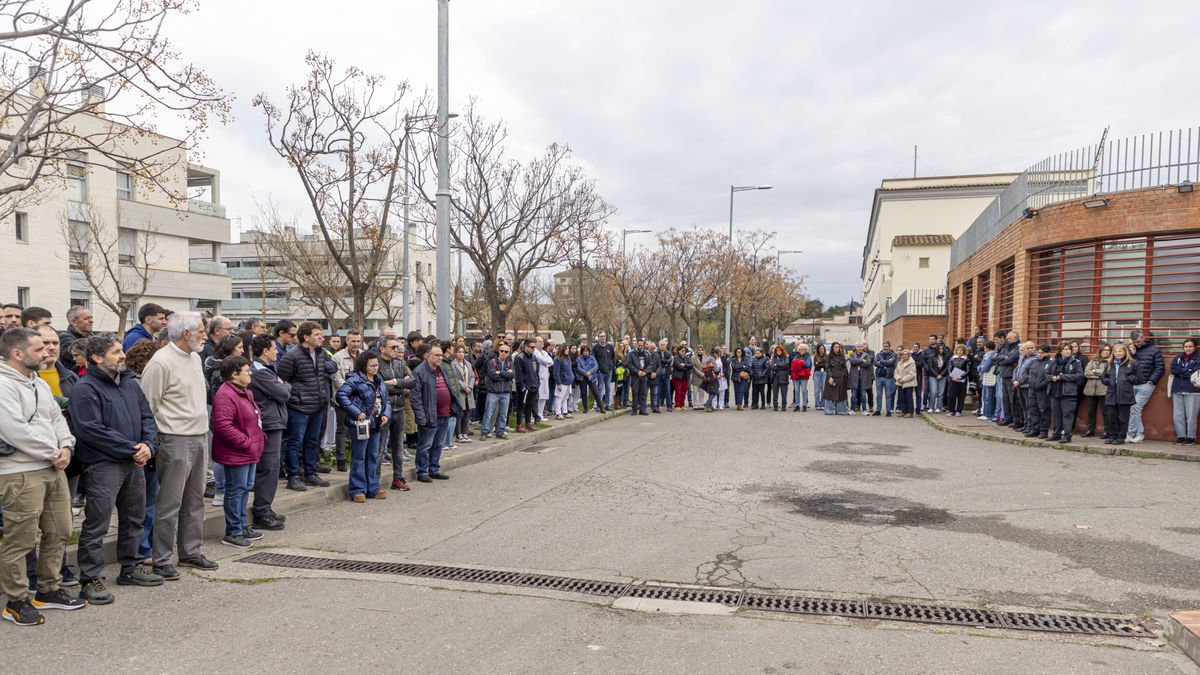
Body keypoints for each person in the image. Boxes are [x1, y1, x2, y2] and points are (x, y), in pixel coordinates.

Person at [69, 335, 163, 605]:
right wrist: (132, 449)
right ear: (97, 358)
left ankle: (130, 567)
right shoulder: (85, 389)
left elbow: (147, 417)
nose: (123, 355)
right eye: (116, 352)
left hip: (134, 462)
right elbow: (91, 430)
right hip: (103, 465)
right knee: (97, 522)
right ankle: (90, 578)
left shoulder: (130, 384)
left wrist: (148, 445)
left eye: (121, 350)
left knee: (134, 517)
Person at [0, 328, 84, 626]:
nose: (48, 352)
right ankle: (16, 600)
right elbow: (14, 430)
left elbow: (56, 418)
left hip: (52, 467)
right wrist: (53, 451)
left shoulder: (37, 383)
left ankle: (47, 590)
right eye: (39, 348)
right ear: (18, 353)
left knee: (60, 529)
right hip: (19, 472)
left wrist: (66, 445)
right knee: (20, 538)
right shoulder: (3, 385)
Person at [141, 312, 219, 579]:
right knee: (169, 502)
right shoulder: (161, 362)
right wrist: (151, 442)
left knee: (195, 500)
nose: (205, 335)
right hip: (173, 438)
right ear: (186, 334)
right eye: (201, 330)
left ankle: (191, 552)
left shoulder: (195, 357)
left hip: (199, 435)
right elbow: (147, 405)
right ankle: (162, 558)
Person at [210, 356, 266, 547]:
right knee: (235, 490)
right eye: (246, 370)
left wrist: (257, 440)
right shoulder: (226, 395)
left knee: (245, 488)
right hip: (237, 452)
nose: (250, 373)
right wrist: (246, 442)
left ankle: (241, 527)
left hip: (249, 450)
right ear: (234, 374)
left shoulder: (244, 392)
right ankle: (233, 531)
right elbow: (223, 425)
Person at [277, 321, 334, 492]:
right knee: (295, 443)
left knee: (312, 442)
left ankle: (311, 473)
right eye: (318, 335)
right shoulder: (291, 356)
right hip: (298, 407)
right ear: (306, 337)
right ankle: (293, 476)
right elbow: (282, 380)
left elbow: (329, 370)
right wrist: (296, 396)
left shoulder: (321, 354)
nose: (322, 338)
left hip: (317, 405)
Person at [336, 352, 391, 502]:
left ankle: (372, 487)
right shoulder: (355, 379)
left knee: (373, 456)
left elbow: (386, 400)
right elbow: (341, 395)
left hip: (376, 423)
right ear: (364, 366)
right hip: (360, 424)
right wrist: (356, 412)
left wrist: (386, 413)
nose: (375, 368)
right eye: (372, 365)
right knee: (359, 457)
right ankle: (357, 489)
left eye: (377, 365)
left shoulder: (379, 380)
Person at [248, 335, 290, 528]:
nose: (276, 351)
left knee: (271, 468)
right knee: (269, 468)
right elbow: (283, 393)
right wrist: (283, 385)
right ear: (265, 351)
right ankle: (261, 512)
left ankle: (266, 507)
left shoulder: (266, 369)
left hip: (275, 422)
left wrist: (283, 385)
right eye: (274, 348)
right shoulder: (259, 371)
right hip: (269, 424)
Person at [410, 345, 453, 482]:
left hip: (444, 413)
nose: (440, 358)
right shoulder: (420, 371)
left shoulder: (442, 369)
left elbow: (451, 387)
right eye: (437, 355)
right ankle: (422, 471)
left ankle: (434, 469)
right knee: (425, 445)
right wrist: (421, 417)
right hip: (430, 415)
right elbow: (415, 397)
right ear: (428, 356)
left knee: (438, 444)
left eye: (441, 355)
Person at [377, 337, 414, 490]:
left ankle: (397, 478)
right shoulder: (377, 364)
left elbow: (412, 382)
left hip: (400, 409)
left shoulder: (400, 363)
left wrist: (394, 382)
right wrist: (401, 383)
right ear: (382, 348)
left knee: (398, 446)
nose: (396, 350)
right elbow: (379, 386)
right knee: (380, 448)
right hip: (384, 411)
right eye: (392, 347)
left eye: (397, 347)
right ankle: (375, 480)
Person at [331, 329, 365, 472]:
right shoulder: (338, 357)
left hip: (361, 400)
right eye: (353, 341)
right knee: (341, 430)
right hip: (343, 400)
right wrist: (351, 390)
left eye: (358, 341)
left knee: (360, 428)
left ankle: (358, 458)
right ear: (347, 341)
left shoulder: (364, 355)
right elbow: (337, 378)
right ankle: (341, 460)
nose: (356, 344)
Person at [1101, 344, 1142, 446]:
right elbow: (1103, 377)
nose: (1118, 353)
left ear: (1125, 352)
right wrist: (1108, 381)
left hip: (1125, 394)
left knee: (1123, 418)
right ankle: (1112, 436)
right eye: (1115, 352)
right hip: (1111, 394)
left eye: (1120, 351)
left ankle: (1121, 437)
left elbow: (1139, 379)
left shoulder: (1132, 363)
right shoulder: (1109, 364)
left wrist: (1129, 378)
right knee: (1111, 416)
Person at [1048, 343, 1083, 443]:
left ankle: (1067, 435)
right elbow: (1046, 374)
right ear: (1060, 351)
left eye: (1069, 349)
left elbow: (1079, 375)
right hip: (1055, 391)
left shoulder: (1075, 362)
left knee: (1067, 414)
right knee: (1056, 414)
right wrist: (1052, 377)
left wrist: (1063, 377)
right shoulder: (1054, 362)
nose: (1068, 351)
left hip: (1068, 392)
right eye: (1065, 349)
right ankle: (1056, 433)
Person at [480, 343, 514, 438]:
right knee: (489, 412)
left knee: (503, 414)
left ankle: (500, 431)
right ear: (498, 351)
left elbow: (512, 375)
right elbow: (492, 375)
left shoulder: (509, 363)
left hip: (505, 392)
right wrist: (505, 375)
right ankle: (485, 431)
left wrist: (500, 373)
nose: (503, 353)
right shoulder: (492, 362)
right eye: (501, 351)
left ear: (509, 353)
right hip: (493, 391)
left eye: (506, 351)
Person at [1170, 337, 1199, 445]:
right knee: (1177, 414)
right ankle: (1181, 436)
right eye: (1186, 346)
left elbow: (1195, 372)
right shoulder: (1178, 357)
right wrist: (1187, 370)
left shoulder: (1198, 358)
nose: (1188, 348)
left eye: (1190, 346)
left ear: (1195, 347)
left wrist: (1182, 372)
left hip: (1192, 390)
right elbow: (1173, 370)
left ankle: (1191, 437)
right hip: (1177, 389)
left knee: (1191, 415)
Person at [1023, 345, 1054, 439]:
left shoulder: (1051, 362)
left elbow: (1049, 377)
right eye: (1039, 352)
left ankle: (1043, 431)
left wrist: (1042, 384)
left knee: (1044, 410)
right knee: (1033, 409)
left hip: (1043, 390)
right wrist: (1028, 380)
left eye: (1042, 353)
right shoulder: (1034, 361)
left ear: (1047, 353)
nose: (1040, 355)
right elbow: (1025, 371)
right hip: (1032, 389)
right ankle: (1034, 429)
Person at [1081, 345, 1111, 439]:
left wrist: (1094, 371)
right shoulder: (1093, 361)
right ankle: (1090, 430)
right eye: (1104, 350)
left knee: (1105, 412)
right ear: (1100, 351)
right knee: (1091, 411)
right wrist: (1099, 374)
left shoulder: (1110, 362)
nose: (1106, 352)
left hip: (1103, 389)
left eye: (1108, 350)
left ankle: (1107, 431)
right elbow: (1086, 373)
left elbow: (1107, 373)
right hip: (1090, 390)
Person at [449, 345, 476, 441]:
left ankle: (464, 432)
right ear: (455, 353)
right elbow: (454, 378)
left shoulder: (468, 364)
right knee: (459, 413)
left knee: (467, 413)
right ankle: (458, 434)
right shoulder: (453, 364)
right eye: (459, 352)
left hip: (469, 392)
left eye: (462, 352)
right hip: (460, 392)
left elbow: (473, 376)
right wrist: (464, 387)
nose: (461, 354)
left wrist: (470, 386)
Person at [994, 331, 1021, 426]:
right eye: (1007, 338)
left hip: (1011, 376)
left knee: (1012, 399)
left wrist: (1003, 360)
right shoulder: (1006, 346)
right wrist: (1004, 359)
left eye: (1009, 338)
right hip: (1003, 374)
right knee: (1005, 398)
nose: (1007, 340)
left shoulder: (1018, 347)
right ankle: (1007, 417)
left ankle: (1015, 419)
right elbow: (997, 357)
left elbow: (1011, 359)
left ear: (1016, 338)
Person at [513, 340, 540, 432]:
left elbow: (537, 371)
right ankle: (519, 424)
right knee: (521, 405)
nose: (533, 349)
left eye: (534, 347)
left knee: (530, 405)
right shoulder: (519, 357)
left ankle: (528, 423)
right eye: (531, 347)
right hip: (524, 387)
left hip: (534, 385)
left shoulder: (534, 357)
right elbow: (519, 374)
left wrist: (537, 383)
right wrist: (523, 386)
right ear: (526, 347)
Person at [58, 305, 93, 372]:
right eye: (86, 318)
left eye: (91, 318)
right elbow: (85, 357)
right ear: (74, 322)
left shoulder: (92, 337)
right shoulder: (65, 338)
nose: (91, 321)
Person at [574, 344, 604, 414]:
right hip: (582, 377)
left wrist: (590, 372)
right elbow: (578, 368)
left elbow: (596, 366)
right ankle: (585, 408)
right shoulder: (579, 358)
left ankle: (600, 407)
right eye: (584, 351)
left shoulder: (592, 358)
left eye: (587, 351)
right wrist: (585, 373)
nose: (586, 352)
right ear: (582, 352)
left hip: (591, 377)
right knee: (584, 393)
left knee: (596, 392)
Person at [945, 344, 971, 417]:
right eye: (958, 350)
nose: (959, 352)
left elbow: (968, 370)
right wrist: (952, 376)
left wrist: (961, 376)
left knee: (961, 395)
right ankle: (951, 411)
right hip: (953, 379)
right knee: (951, 395)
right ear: (956, 351)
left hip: (962, 380)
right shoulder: (952, 358)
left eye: (961, 350)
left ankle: (959, 411)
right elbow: (949, 369)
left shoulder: (967, 359)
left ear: (964, 351)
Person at [823, 342, 849, 415]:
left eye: (838, 347)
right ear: (833, 348)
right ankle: (829, 410)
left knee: (841, 394)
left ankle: (841, 410)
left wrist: (845, 375)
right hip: (833, 377)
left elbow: (844, 367)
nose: (837, 348)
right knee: (830, 394)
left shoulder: (841, 356)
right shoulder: (829, 357)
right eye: (836, 347)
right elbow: (827, 367)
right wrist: (830, 376)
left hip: (841, 378)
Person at [626, 338, 650, 416]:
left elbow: (650, 364)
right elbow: (629, 364)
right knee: (635, 392)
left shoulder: (647, 353)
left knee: (643, 393)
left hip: (644, 375)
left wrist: (645, 371)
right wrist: (637, 371)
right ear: (636, 345)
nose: (640, 346)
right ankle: (634, 410)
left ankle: (643, 409)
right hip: (635, 376)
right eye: (639, 345)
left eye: (642, 345)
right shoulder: (631, 353)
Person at [592, 332, 616, 410]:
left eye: (604, 336)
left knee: (608, 388)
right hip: (600, 372)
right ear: (598, 337)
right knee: (600, 388)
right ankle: (599, 405)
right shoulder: (595, 347)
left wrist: (612, 366)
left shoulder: (610, 346)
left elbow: (613, 357)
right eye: (601, 336)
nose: (603, 337)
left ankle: (607, 405)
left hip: (609, 371)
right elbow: (593, 359)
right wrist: (597, 369)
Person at [873, 341, 897, 416]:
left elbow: (891, 363)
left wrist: (881, 362)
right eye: (884, 346)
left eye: (887, 346)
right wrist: (885, 365)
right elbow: (875, 363)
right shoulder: (878, 354)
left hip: (888, 378)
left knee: (888, 395)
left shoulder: (893, 355)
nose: (885, 348)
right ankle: (878, 410)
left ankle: (888, 411)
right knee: (879, 395)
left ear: (889, 347)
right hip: (879, 377)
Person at [552, 345, 574, 420]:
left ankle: (565, 412)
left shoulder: (568, 358)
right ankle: (558, 413)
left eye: (568, 349)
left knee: (565, 397)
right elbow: (556, 372)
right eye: (566, 349)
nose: (568, 350)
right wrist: (558, 383)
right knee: (559, 397)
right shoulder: (558, 359)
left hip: (568, 381)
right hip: (562, 381)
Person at [977, 341, 998, 421]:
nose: (984, 349)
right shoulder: (987, 355)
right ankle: (985, 413)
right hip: (986, 378)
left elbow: (985, 368)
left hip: (990, 378)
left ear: (988, 348)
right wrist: (980, 367)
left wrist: (980, 368)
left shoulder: (991, 355)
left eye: (985, 348)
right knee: (985, 397)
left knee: (989, 397)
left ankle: (988, 414)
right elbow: (980, 366)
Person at [895, 349, 917, 418]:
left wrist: (903, 380)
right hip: (900, 383)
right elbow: (896, 372)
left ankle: (910, 412)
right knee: (901, 398)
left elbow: (912, 374)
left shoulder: (912, 363)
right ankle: (903, 411)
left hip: (908, 383)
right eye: (903, 354)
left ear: (909, 355)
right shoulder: (899, 363)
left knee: (908, 397)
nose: (904, 356)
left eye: (906, 354)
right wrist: (898, 378)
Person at [768, 345, 790, 412]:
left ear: (782, 351)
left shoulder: (785, 357)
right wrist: (780, 366)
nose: (778, 351)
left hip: (784, 377)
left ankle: (783, 406)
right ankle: (775, 406)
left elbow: (785, 364)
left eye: (779, 350)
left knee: (784, 392)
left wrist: (777, 365)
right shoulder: (774, 357)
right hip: (775, 377)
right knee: (775, 392)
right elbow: (772, 366)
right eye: (777, 350)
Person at [812, 344, 828, 411]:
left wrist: (820, 364)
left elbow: (827, 365)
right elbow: (816, 365)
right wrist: (822, 364)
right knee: (817, 390)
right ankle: (817, 404)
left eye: (823, 348)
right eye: (820, 349)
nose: (822, 350)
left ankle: (823, 404)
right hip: (817, 373)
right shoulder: (816, 356)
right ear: (818, 349)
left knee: (824, 389)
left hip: (824, 373)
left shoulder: (827, 356)